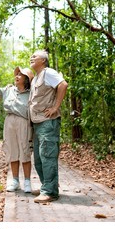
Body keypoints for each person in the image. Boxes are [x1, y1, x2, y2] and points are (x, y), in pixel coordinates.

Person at [0, 66, 34, 193]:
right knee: (12, 150)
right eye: (17, 74)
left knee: (25, 150)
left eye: (21, 75)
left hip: (24, 122)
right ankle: (15, 181)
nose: (17, 76)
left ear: (26, 79)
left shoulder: (31, 94)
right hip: (9, 121)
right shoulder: (9, 89)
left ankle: (27, 181)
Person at [28, 50, 68, 203]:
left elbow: (63, 85)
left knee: (48, 156)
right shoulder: (36, 78)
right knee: (38, 159)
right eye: (31, 56)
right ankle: (47, 185)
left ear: (43, 61)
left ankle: (50, 192)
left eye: (35, 56)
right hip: (37, 123)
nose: (31, 58)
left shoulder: (48, 72)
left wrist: (55, 107)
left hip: (47, 122)